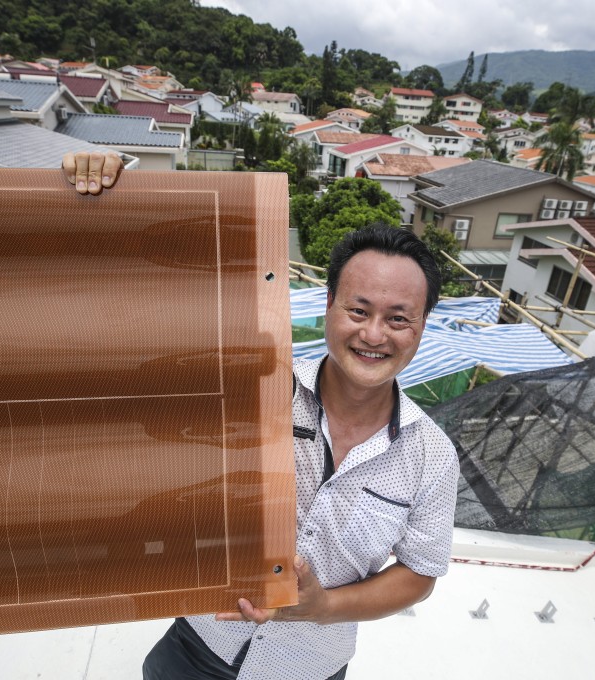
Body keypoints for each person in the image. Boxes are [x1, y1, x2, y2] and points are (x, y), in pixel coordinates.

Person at [62, 152, 459, 680]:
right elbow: (147, 320)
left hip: (310, 666)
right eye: (358, 310)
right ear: (329, 307)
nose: (373, 334)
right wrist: (100, 197)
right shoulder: (248, 386)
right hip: (198, 644)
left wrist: (323, 607)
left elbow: (420, 572)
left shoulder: (432, 456)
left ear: (423, 325)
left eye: (398, 319)